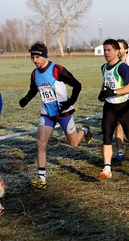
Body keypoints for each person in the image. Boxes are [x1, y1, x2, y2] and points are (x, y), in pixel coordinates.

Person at [19, 41, 93, 189]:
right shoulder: (34, 74)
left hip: (63, 112)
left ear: (44, 56)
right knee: (40, 143)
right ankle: (42, 179)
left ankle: (84, 131)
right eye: (32, 58)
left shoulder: (57, 69)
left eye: (37, 58)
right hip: (47, 114)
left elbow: (77, 85)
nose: (35, 61)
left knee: (74, 143)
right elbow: (34, 89)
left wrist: (70, 101)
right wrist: (26, 99)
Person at [97, 39, 129, 179]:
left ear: (117, 51)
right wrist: (103, 93)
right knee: (107, 136)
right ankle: (107, 168)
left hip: (123, 106)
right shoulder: (103, 67)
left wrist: (114, 92)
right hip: (109, 107)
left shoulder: (122, 67)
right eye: (104, 50)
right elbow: (106, 82)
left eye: (109, 50)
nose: (106, 53)